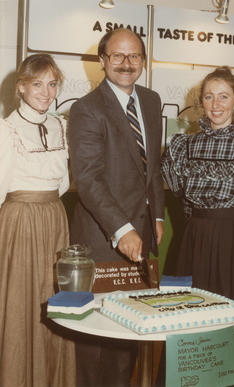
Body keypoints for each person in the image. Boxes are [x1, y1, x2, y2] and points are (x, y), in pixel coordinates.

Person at [161, 66, 234, 386]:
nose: (216, 103)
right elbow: (178, 196)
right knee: (193, 323)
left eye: (224, 96)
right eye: (209, 96)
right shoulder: (183, 146)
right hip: (194, 243)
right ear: (200, 102)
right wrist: (200, 230)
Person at [69, 28, 164, 386]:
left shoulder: (152, 101)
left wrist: (156, 215)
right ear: (102, 60)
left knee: (128, 340)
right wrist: (122, 228)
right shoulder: (86, 109)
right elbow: (89, 180)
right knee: (96, 345)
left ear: (143, 60)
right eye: (118, 56)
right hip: (102, 239)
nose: (127, 64)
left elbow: (152, 165)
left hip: (143, 239)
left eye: (134, 56)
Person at [0, 54, 76, 387]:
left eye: (52, 84)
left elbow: (63, 183)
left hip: (55, 219)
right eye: (37, 84)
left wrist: (49, 207)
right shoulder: (6, 129)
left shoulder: (62, 125)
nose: (45, 93)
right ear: (21, 88)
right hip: (19, 221)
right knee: (20, 304)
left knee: (54, 300)